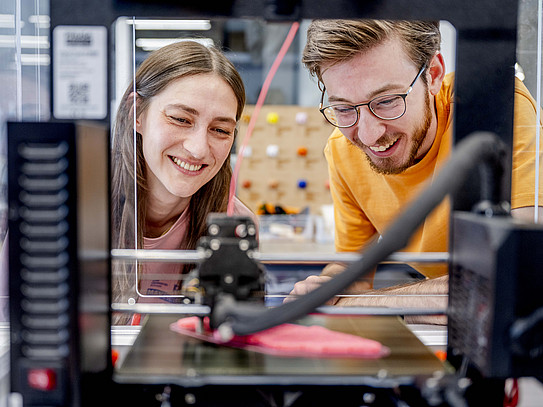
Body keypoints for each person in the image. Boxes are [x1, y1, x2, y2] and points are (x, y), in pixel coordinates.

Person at [288, 19, 543, 323]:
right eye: (344, 108)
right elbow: (354, 270)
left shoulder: (493, 108)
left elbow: (517, 281)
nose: (368, 135)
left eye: (386, 101)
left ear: (433, 75)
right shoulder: (344, 149)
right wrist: (326, 288)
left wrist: (370, 302)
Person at [111, 41, 256, 319]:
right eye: (180, 119)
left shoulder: (234, 228)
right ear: (137, 114)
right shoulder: (69, 211)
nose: (199, 148)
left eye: (220, 130)